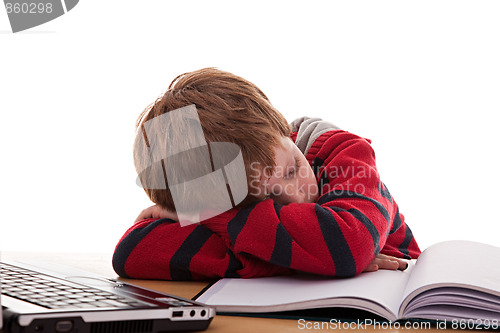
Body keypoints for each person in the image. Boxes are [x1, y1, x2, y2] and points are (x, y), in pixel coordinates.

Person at [112, 68, 421, 280]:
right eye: (268, 198)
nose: (296, 198)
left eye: (292, 169)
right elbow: (131, 253)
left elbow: (347, 245)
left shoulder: (342, 153)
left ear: (284, 131)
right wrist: (304, 261)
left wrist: (206, 219)